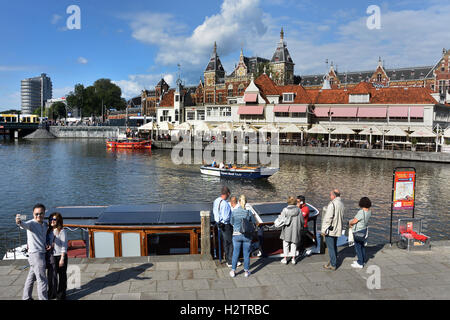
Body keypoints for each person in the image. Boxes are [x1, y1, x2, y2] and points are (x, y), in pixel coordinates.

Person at [15, 204, 49, 300]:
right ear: (33, 214)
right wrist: (18, 220)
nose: (38, 216)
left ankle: (26, 297)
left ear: (44, 213)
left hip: (37, 254)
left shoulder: (44, 224)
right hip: (36, 255)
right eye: (36, 214)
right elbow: (22, 224)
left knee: (31, 277)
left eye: (41, 213)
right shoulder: (30, 223)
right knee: (42, 279)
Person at [229, 195, 256, 278]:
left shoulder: (234, 212)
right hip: (247, 235)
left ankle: (233, 271)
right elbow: (254, 223)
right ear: (246, 202)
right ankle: (246, 271)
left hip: (236, 235)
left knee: (235, 253)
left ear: (238, 202)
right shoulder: (248, 212)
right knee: (246, 254)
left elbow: (231, 222)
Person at [321, 189, 345, 271]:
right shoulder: (341, 204)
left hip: (330, 229)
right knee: (334, 245)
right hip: (338, 228)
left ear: (334, 196)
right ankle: (332, 261)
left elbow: (328, 218)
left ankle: (333, 264)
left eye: (330, 194)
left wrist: (323, 230)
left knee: (331, 247)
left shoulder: (332, 204)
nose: (329, 196)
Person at [212, 186, 236, 267]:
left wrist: (218, 221)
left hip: (218, 224)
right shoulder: (225, 204)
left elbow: (215, 212)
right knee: (231, 242)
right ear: (227, 193)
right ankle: (230, 261)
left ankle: (226, 259)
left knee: (225, 242)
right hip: (226, 225)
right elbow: (226, 217)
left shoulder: (216, 201)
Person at [47, 212, 68, 299]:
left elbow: (64, 246)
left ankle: (61, 295)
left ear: (58, 220)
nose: (52, 221)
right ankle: (52, 293)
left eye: (54, 219)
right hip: (51, 256)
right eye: (51, 219)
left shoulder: (62, 231)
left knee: (62, 276)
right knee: (51, 276)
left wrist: (62, 259)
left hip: (60, 256)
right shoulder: (48, 231)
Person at [279, 196, 304, 265]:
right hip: (295, 229)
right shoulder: (299, 210)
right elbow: (302, 221)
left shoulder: (285, 210)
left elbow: (281, 219)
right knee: (294, 244)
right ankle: (293, 259)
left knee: (286, 243)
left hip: (287, 229)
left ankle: (285, 259)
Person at [349, 197, 372, 269]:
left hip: (358, 231)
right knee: (362, 246)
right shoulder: (369, 211)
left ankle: (360, 263)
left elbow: (354, 221)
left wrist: (350, 223)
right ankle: (363, 260)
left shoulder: (361, 212)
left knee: (358, 247)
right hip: (364, 230)